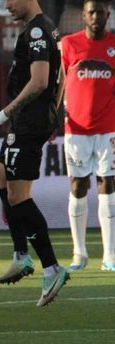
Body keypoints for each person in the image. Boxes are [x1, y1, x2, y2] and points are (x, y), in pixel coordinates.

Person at [0, 0, 69, 307]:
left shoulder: (37, 33)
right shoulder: (47, 28)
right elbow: (62, 78)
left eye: (10, 0)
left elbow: (41, 81)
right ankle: (21, 254)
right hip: (31, 121)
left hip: (28, 123)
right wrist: (54, 115)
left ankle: (52, 267)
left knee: (19, 196)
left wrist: (4, 113)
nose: (6, 6)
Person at [60, 0, 115, 271]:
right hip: (76, 130)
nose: (96, 16)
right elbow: (60, 83)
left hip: (109, 129)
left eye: (101, 12)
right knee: (78, 186)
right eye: (91, 12)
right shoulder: (70, 45)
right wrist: (52, 118)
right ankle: (79, 255)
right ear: (83, 15)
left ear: (108, 15)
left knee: (108, 184)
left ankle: (110, 256)